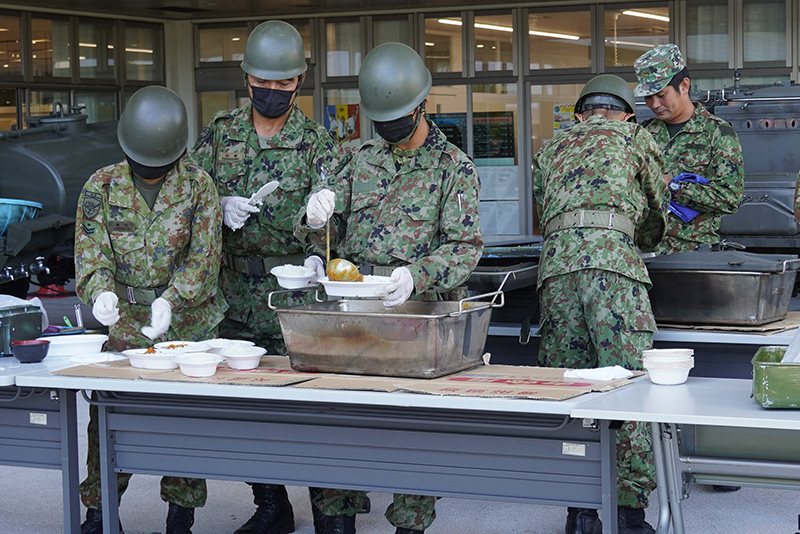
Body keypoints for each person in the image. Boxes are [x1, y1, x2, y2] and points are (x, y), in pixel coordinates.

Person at [295, 42, 483, 534]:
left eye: (397, 118)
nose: (388, 129)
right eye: (379, 121)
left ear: (422, 105)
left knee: (413, 430)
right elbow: (316, 232)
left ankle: (409, 524)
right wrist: (316, 216)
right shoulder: (356, 158)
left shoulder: (453, 167)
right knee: (336, 421)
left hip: (415, 315)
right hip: (353, 313)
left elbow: (465, 247)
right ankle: (335, 522)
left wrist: (416, 275)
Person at [186, 19, 342, 534]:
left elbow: (336, 218)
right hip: (234, 293)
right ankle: (271, 504)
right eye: (264, 83)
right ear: (247, 77)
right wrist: (217, 203)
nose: (273, 93)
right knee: (248, 409)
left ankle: (331, 513)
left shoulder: (318, 143)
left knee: (315, 407)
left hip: (296, 297)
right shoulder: (218, 135)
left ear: (299, 82)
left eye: (284, 84)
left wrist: (324, 230)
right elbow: (186, 199)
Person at [74, 86, 226, 534]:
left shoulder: (199, 185)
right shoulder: (100, 185)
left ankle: (180, 517)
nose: (150, 171)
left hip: (188, 323)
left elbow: (205, 258)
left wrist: (171, 299)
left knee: (182, 424)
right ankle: (100, 512)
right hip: (124, 325)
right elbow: (90, 252)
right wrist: (100, 293)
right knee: (109, 421)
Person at [531, 74, 670, 534]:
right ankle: (629, 515)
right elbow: (655, 209)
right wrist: (636, 239)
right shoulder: (637, 137)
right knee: (629, 385)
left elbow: (543, 209)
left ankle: (580, 512)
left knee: (571, 390)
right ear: (627, 112)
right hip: (614, 270)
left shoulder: (551, 147)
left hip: (556, 273)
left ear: (581, 112)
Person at [633, 43, 744, 255]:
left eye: (661, 95)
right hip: (643, 254)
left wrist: (673, 187)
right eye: (648, 97)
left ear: (684, 86)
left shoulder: (717, 133)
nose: (654, 104)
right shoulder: (641, 133)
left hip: (691, 254)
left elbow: (730, 198)